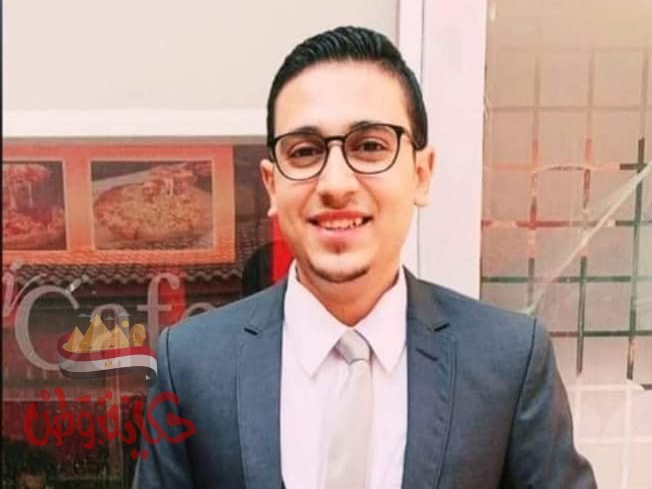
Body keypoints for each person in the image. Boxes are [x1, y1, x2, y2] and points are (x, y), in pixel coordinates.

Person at [134, 26, 596, 488]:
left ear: (421, 174)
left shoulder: (509, 361)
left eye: (370, 146)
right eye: (305, 151)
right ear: (272, 184)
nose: (336, 184)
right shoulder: (192, 364)